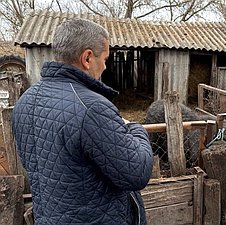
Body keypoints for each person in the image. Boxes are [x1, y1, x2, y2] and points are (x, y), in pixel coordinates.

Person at [12, 18, 153, 225]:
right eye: (105, 59)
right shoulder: (92, 108)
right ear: (87, 58)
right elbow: (137, 173)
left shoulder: (25, 102)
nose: (105, 66)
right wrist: (134, 128)